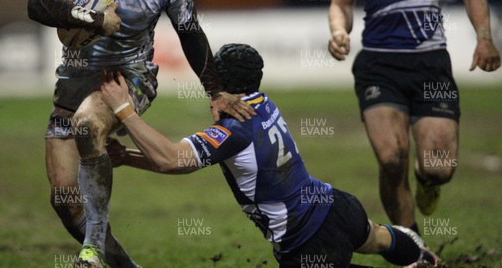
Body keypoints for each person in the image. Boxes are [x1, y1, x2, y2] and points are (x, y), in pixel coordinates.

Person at [28, 0, 253, 268]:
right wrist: (96, 19)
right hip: (75, 76)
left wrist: (215, 91)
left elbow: (190, 33)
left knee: (87, 125)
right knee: (65, 199)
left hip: (131, 77)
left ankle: (92, 252)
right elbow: (38, 3)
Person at [100, 43, 439, 268]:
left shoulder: (235, 129)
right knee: (377, 238)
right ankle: (422, 256)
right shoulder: (262, 104)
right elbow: (183, 163)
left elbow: (171, 159)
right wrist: (128, 157)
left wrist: (125, 110)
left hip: (307, 242)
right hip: (337, 205)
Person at [327, 0, 501, 236]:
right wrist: (338, 30)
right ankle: (411, 247)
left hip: (429, 63)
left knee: (439, 167)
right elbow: (341, 1)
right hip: (378, 64)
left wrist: (484, 37)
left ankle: (427, 183)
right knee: (391, 160)